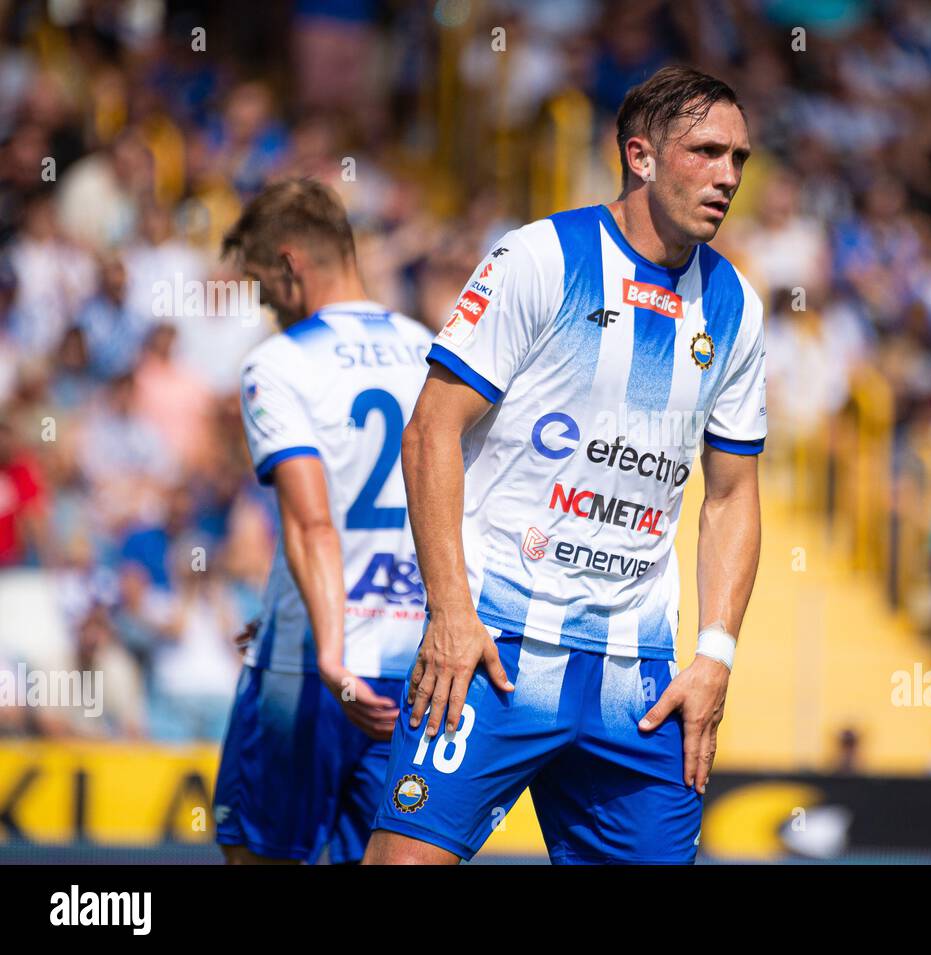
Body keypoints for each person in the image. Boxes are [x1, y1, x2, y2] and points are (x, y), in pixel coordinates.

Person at [365, 66, 766, 866]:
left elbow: (732, 495)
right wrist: (450, 611)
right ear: (640, 156)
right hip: (496, 645)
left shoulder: (735, 307)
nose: (727, 176)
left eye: (739, 159)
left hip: (636, 680)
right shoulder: (542, 257)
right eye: (706, 152)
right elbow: (430, 430)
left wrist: (715, 653)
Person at [213, 179, 431, 863]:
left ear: (289, 265)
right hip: (410, 666)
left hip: (310, 668)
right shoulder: (432, 349)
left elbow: (312, 525)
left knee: (258, 854)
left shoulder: (278, 363)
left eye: (261, 285)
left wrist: (330, 649)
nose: (266, 305)